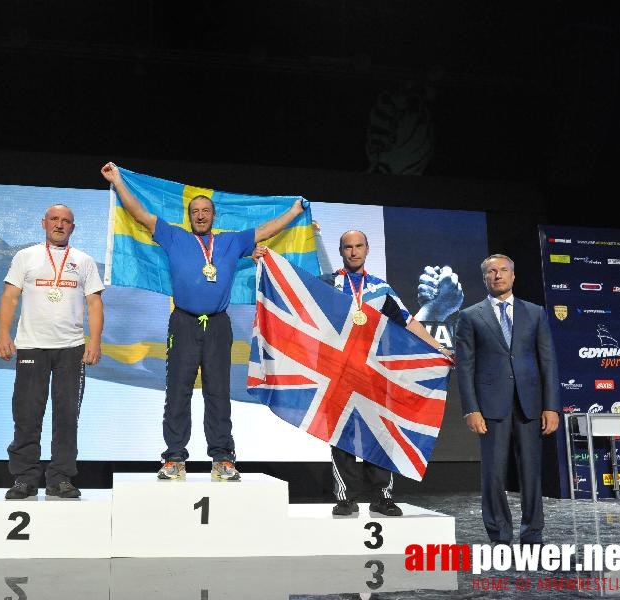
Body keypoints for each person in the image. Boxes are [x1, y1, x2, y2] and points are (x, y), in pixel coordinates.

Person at [100, 161, 305, 482]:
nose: (200, 214)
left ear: (213, 215)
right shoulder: (173, 236)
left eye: (205, 210)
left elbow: (266, 230)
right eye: (194, 210)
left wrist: (293, 213)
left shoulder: (230, 242)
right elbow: (139, 213)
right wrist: (118, 182)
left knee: (218, 391)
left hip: (219, 325)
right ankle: (174, 458)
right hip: (183, 323)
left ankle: (223, 457)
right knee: (177, 390)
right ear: (189, 215)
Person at [256, 230, 453, 516]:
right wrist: (266, 262)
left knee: (382, 433)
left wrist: (439, 348)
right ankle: (345, 497)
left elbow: (409, 323)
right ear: (340, 251)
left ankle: (382, 497)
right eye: (347, 247)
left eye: (358, 246)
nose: (353, 252)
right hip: (339, 373)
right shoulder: (328, 285)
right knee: (342, 434)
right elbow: (293, 290)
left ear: (367, 249)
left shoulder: (381, 289)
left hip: (375, 374)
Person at [0, 204, 104, 500]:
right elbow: (9, 296)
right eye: (54, 219)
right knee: (27, 413)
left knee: (67, 416)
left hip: (71, 349)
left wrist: (94, 342)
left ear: (73, 227)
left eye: (66, 221)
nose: (59, 224)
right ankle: (25, 477)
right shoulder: (25, 257)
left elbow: (94, 303)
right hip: (32, 345)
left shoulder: (83, 261)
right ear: (43, 223)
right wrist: (3, 334)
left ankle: (60, 477)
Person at [454, 253, 559, 546]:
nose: (497, 275)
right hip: (490, 406)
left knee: (531, 473)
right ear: (484, 278)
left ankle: (532, 534)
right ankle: (499, 535)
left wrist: (551, 406)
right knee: (494, 475)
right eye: (491, 272)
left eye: (502, 271)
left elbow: (548, 362)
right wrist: (470, 409)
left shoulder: (535, 313)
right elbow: (465, 367)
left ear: (513, 276)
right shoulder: (470, 316)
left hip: (530, 404)